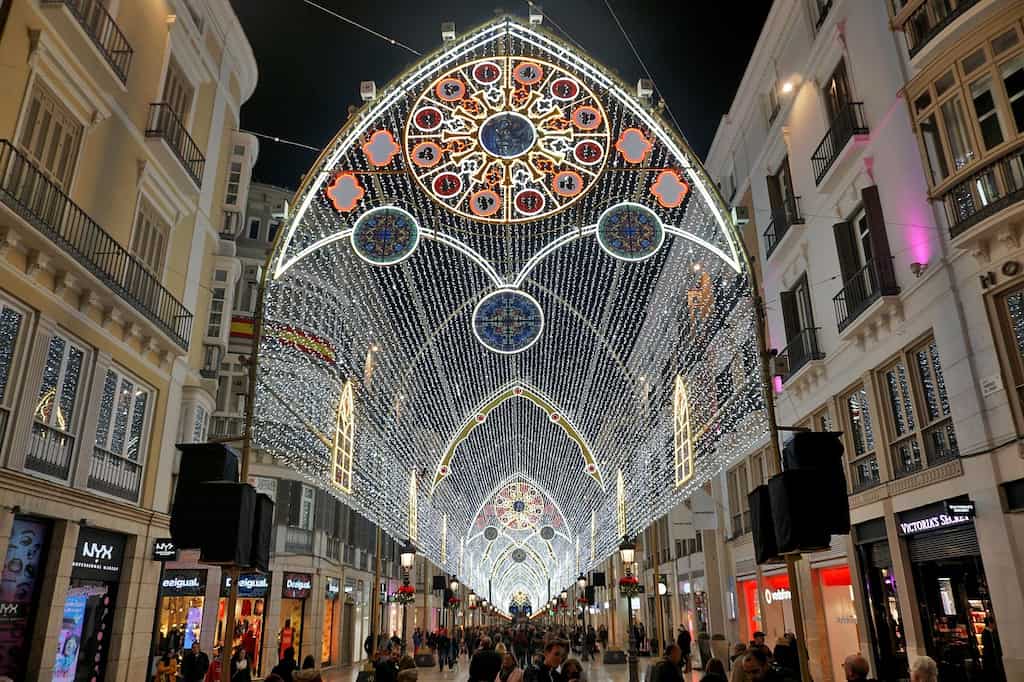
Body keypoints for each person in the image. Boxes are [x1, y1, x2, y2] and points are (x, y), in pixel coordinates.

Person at [981, 616, 1005, 682]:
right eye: (994, 623)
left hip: (991, 659)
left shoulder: (988, 632)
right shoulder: (986, 633)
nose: (995, 625)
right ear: (990, 623)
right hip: (991, 660)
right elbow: (990, 647)